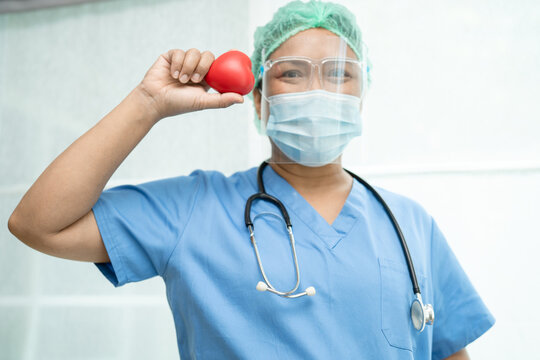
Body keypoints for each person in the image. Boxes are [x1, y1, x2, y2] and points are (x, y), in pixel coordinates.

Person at [8, 1, 495, 359]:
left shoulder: (410, 224)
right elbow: (38, 223)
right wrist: (148, 104)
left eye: (339, 74)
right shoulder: (195, 208)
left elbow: (449, 353)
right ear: (258, 98)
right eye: (291, 75)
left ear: (362, 93)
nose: (318, 90)